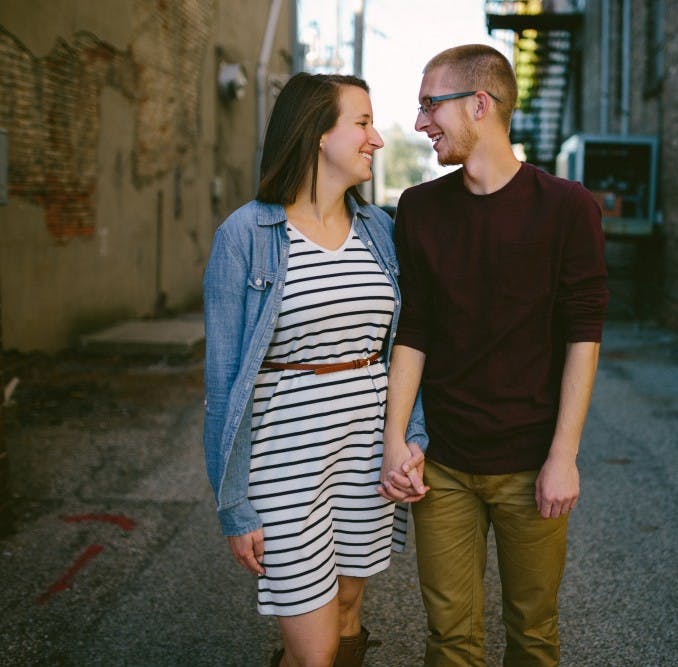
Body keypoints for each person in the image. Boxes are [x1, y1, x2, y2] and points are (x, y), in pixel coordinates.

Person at [377, 44, 608, 666]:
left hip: (532, 466)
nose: (421, 122)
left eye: (431, 104)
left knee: (533, 634)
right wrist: (396, 439)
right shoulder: (421, 209)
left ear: (480, 104)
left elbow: (583, 337)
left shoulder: (567, 208)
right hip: (444, 468)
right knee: (451, 639)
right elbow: (414, 331)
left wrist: (564, 457)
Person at [203, 72, 427, 667]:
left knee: (350, 614)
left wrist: (408, 439)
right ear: (316, 133)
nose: (376, 139)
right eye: (362, 122)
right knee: (315, 648)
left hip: (365, 455)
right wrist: (234, 505)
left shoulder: (381, 230)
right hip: (284, 465)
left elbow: (406, 344)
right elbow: (223, 384)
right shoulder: (246, 235)